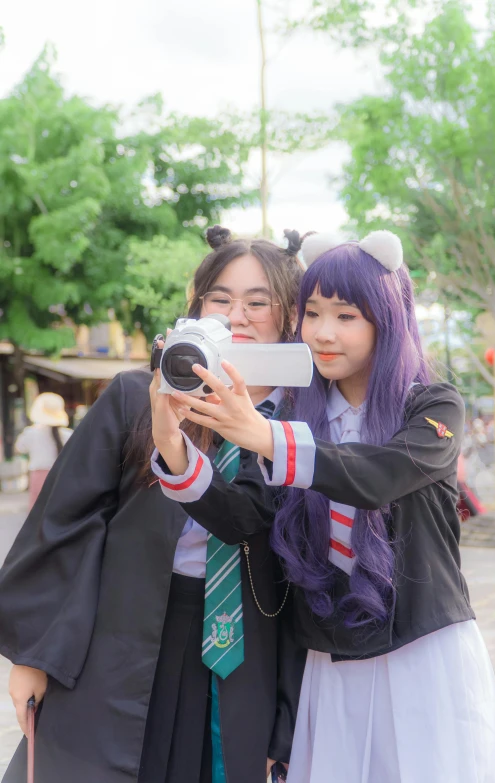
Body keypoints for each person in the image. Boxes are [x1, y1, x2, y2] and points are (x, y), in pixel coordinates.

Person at [156, 230, 495, 782]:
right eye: (313, 313)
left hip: (422, 652)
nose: (323, 333)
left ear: (387, 321)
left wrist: (266, 436)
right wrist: (174, 451)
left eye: (346, 316)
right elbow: (241, 518)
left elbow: (378, 477)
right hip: (328, 668)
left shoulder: (433, 405)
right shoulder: (296, 412)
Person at [0, 226, 305, 783]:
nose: (238, 315)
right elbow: (65, 525)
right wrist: (32, 657)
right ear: (197, 309)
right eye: (220, 299)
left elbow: (295, 574)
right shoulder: (135, 399)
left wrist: (285, 723)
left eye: (258, 302)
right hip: (123, 633)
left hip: (243, 652)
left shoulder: (300, 431)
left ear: (288, 316)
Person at [14, 392, 73, 509]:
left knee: (37, 510)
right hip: (63, 474)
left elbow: (19, 449)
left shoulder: (31, 432)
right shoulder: (68, 434)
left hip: (38, 474)